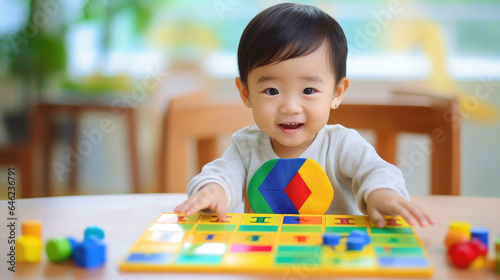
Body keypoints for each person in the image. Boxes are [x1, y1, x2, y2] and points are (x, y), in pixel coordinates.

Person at [174, 2, 435, 228]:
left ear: (336, 92)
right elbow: (220, 175)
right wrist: (212, 192)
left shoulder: (342, 144)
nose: (290, 106)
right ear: (245, 93)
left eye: (308, 90)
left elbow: (377, 171)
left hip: (332, 258)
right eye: (272, 90)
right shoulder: (246, 147)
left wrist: (381, 193)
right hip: (264, 259)